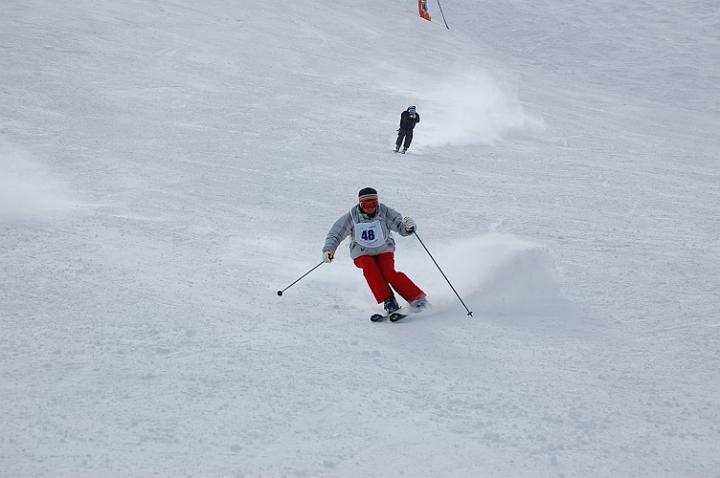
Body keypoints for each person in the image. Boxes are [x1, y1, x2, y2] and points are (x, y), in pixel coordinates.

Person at [322, 187, 428, 315]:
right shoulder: (352, 217)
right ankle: (389, 300)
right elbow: (336, 234)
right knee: (369, 268)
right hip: (362, 253)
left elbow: (400, 227)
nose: (370, 208)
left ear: (377, 203)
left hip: (384, 250)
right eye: (366, 205)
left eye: (373, 204)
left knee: (389, 273)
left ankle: (417, 298)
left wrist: (408, 227)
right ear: (360, 204)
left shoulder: (384, 212)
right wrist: (329, 250)